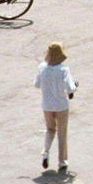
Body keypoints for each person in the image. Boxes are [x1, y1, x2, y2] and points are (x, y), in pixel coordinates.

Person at [34, 42, 77, 173]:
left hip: (47, 105)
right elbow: (70, 88)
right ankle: (62, 161)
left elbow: (37, 84)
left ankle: (45, 152)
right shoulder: (63, 69)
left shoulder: (42, 67)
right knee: (62, 133)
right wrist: (75, 86)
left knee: (50, 130)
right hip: (61, 106)